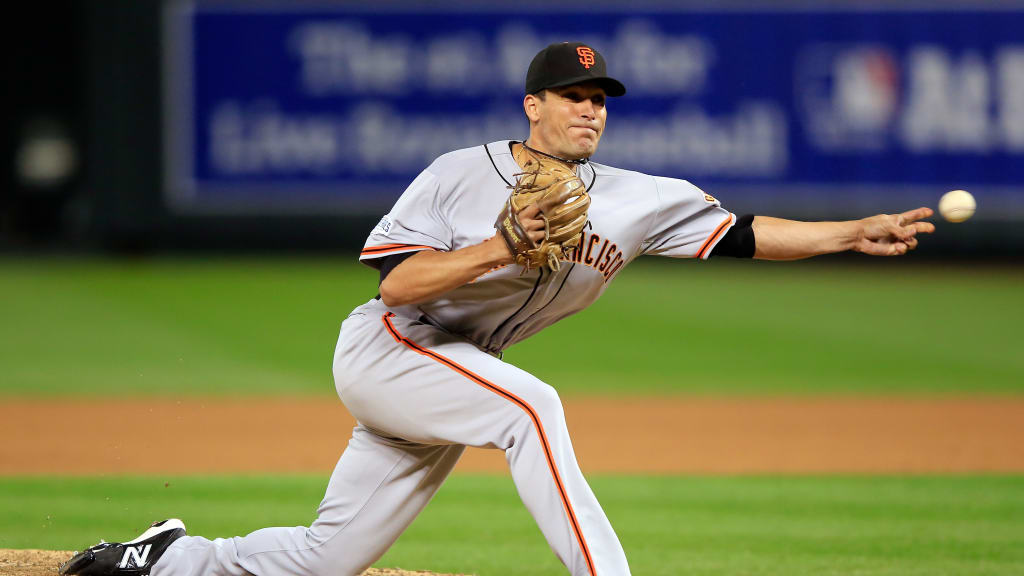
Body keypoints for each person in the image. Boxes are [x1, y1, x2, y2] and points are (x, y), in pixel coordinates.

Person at [61, 41, 934, 576]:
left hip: (450, 379)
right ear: (535, 106)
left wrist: (853, 231)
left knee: (325, 559)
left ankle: (167, 559)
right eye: (573, 97)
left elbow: (741, 234)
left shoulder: (637, 197)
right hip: (391, 349)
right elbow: (395, 286)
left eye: (600, 100)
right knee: (532, 408)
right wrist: (497, 248)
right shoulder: (458, 171)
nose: (590, 110)